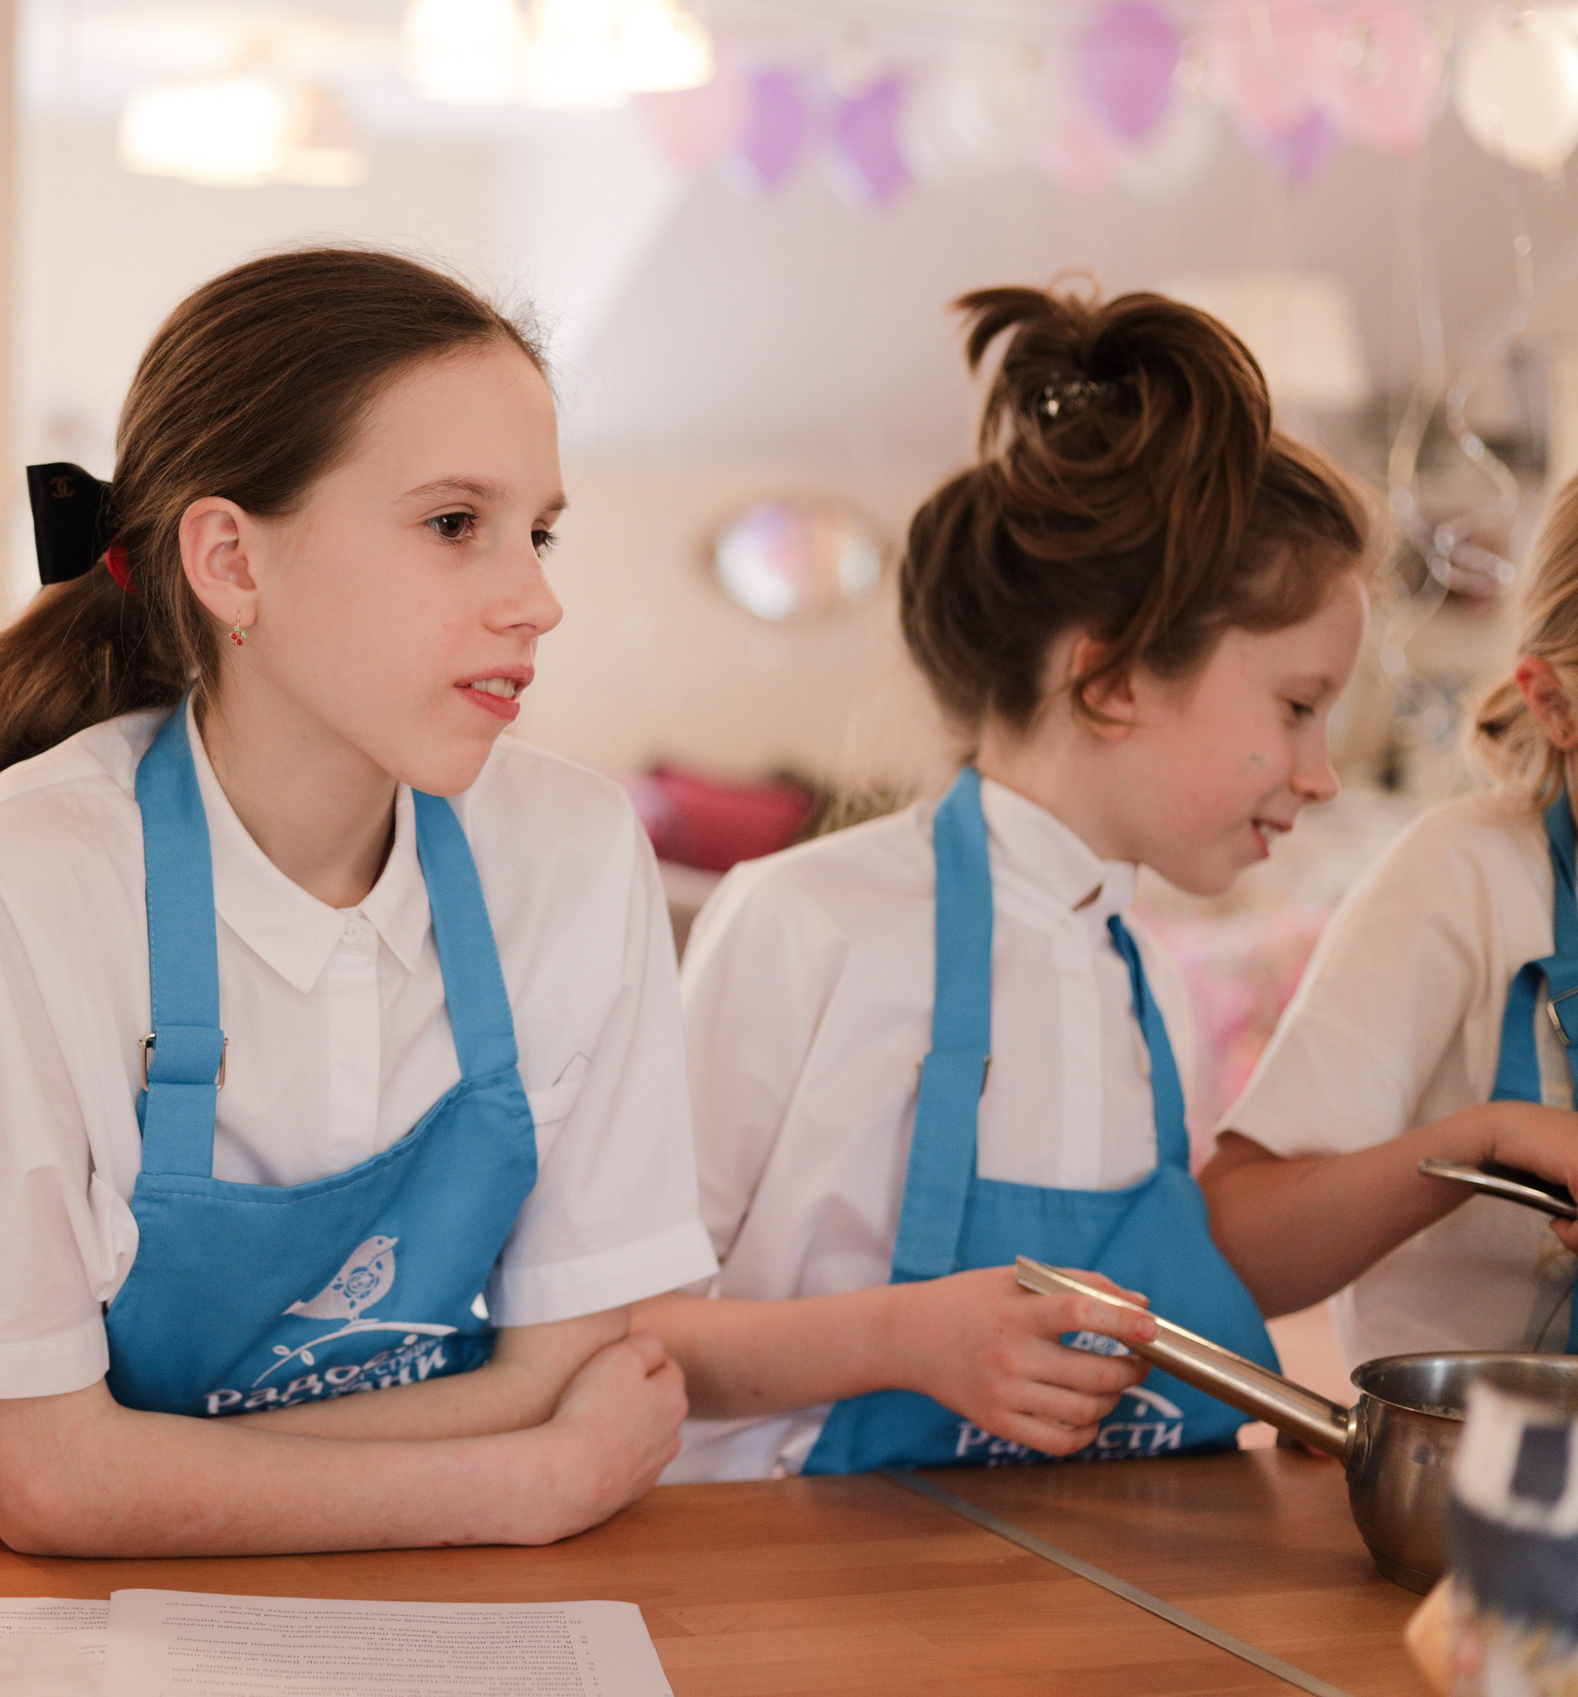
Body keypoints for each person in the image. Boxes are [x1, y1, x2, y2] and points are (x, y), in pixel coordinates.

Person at [0, 247, 714, 1557]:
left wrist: (97, 1467)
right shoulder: (27, 879)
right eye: (454, 524)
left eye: (536, 530)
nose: (536, 598)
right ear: (230, 558)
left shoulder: (576, 847)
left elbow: (574, 1366)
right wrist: (527, 1478)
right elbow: (59, 1488)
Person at [640, 284, 1375, 1479]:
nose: (1324, 774)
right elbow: (623, 1338)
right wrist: (900, 1339)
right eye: (1297, 708)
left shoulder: (1147, 983)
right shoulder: (805, 925)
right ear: (1114, 681)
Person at [1200, 478, 1578, 1361]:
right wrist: (1486, 1140)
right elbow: (1236, 1243)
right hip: (1462, 1468)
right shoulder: (1465, 873)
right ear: (1553, 703)